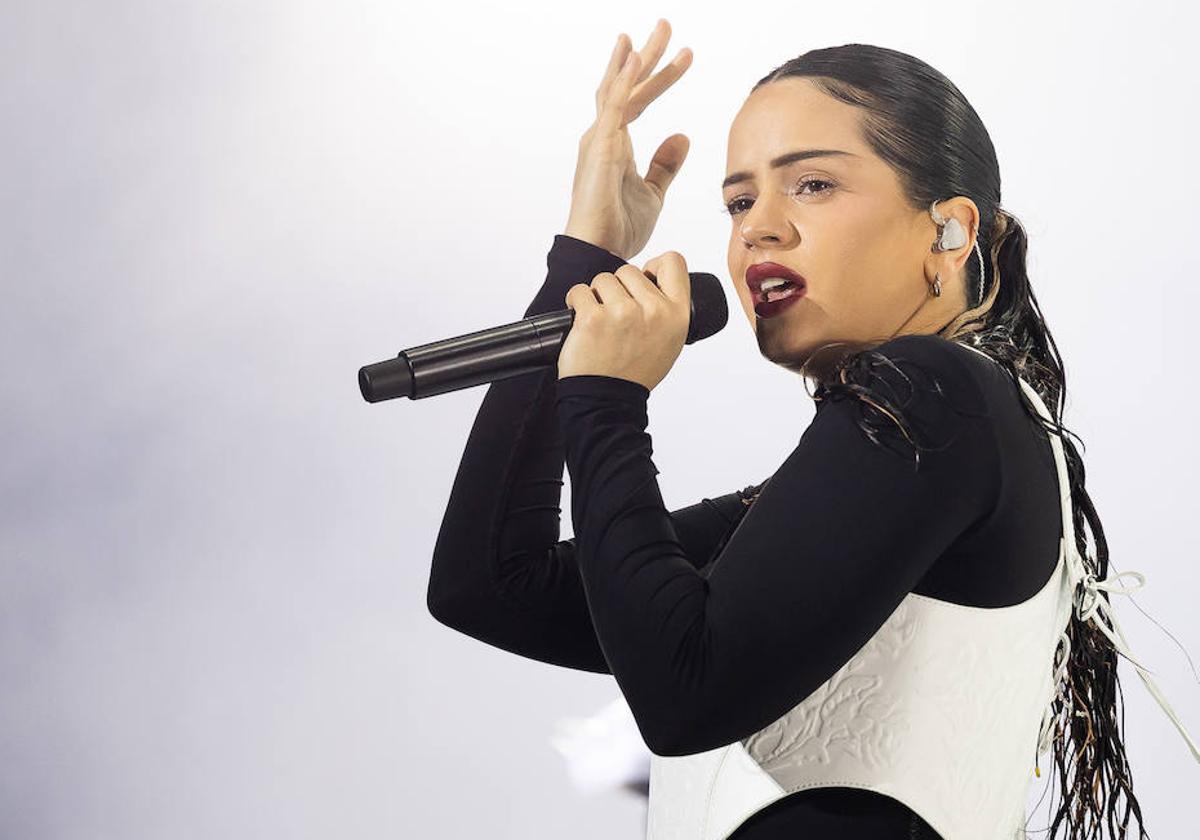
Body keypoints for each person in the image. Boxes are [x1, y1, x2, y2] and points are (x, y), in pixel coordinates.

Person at [426, 19, 1198, 839]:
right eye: (738, 200)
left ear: (953, 228)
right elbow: (492, 588)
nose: (758, 226)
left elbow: (685, 698)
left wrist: (609, 401)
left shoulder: (935, 395)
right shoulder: (922, 435)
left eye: (814, 185)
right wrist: (586, 260)